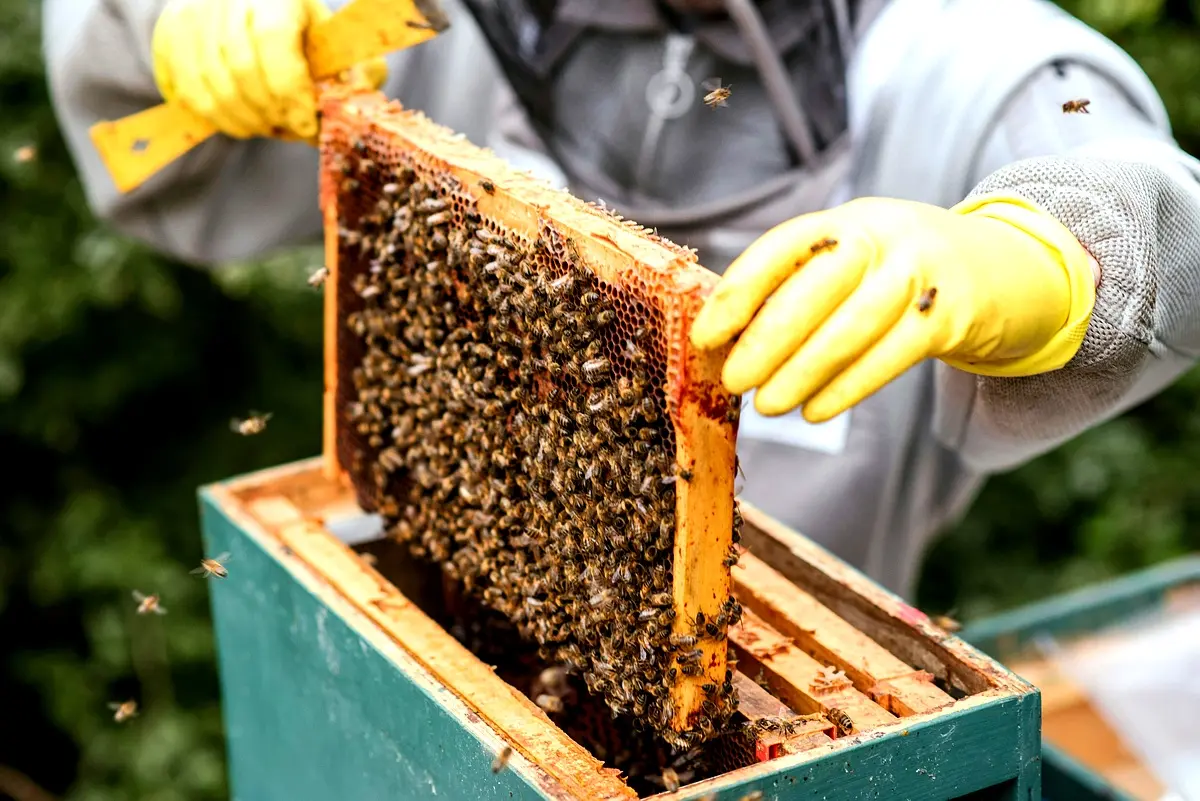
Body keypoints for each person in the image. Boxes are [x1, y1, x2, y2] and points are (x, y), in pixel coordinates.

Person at [44, 0, 1200, 597]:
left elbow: (1161, 212)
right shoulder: (437, 17)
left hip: (775, 739)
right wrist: (171, 27)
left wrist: (1042, 261)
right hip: (432, 620)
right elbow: (145, 151)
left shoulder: (974, 56)